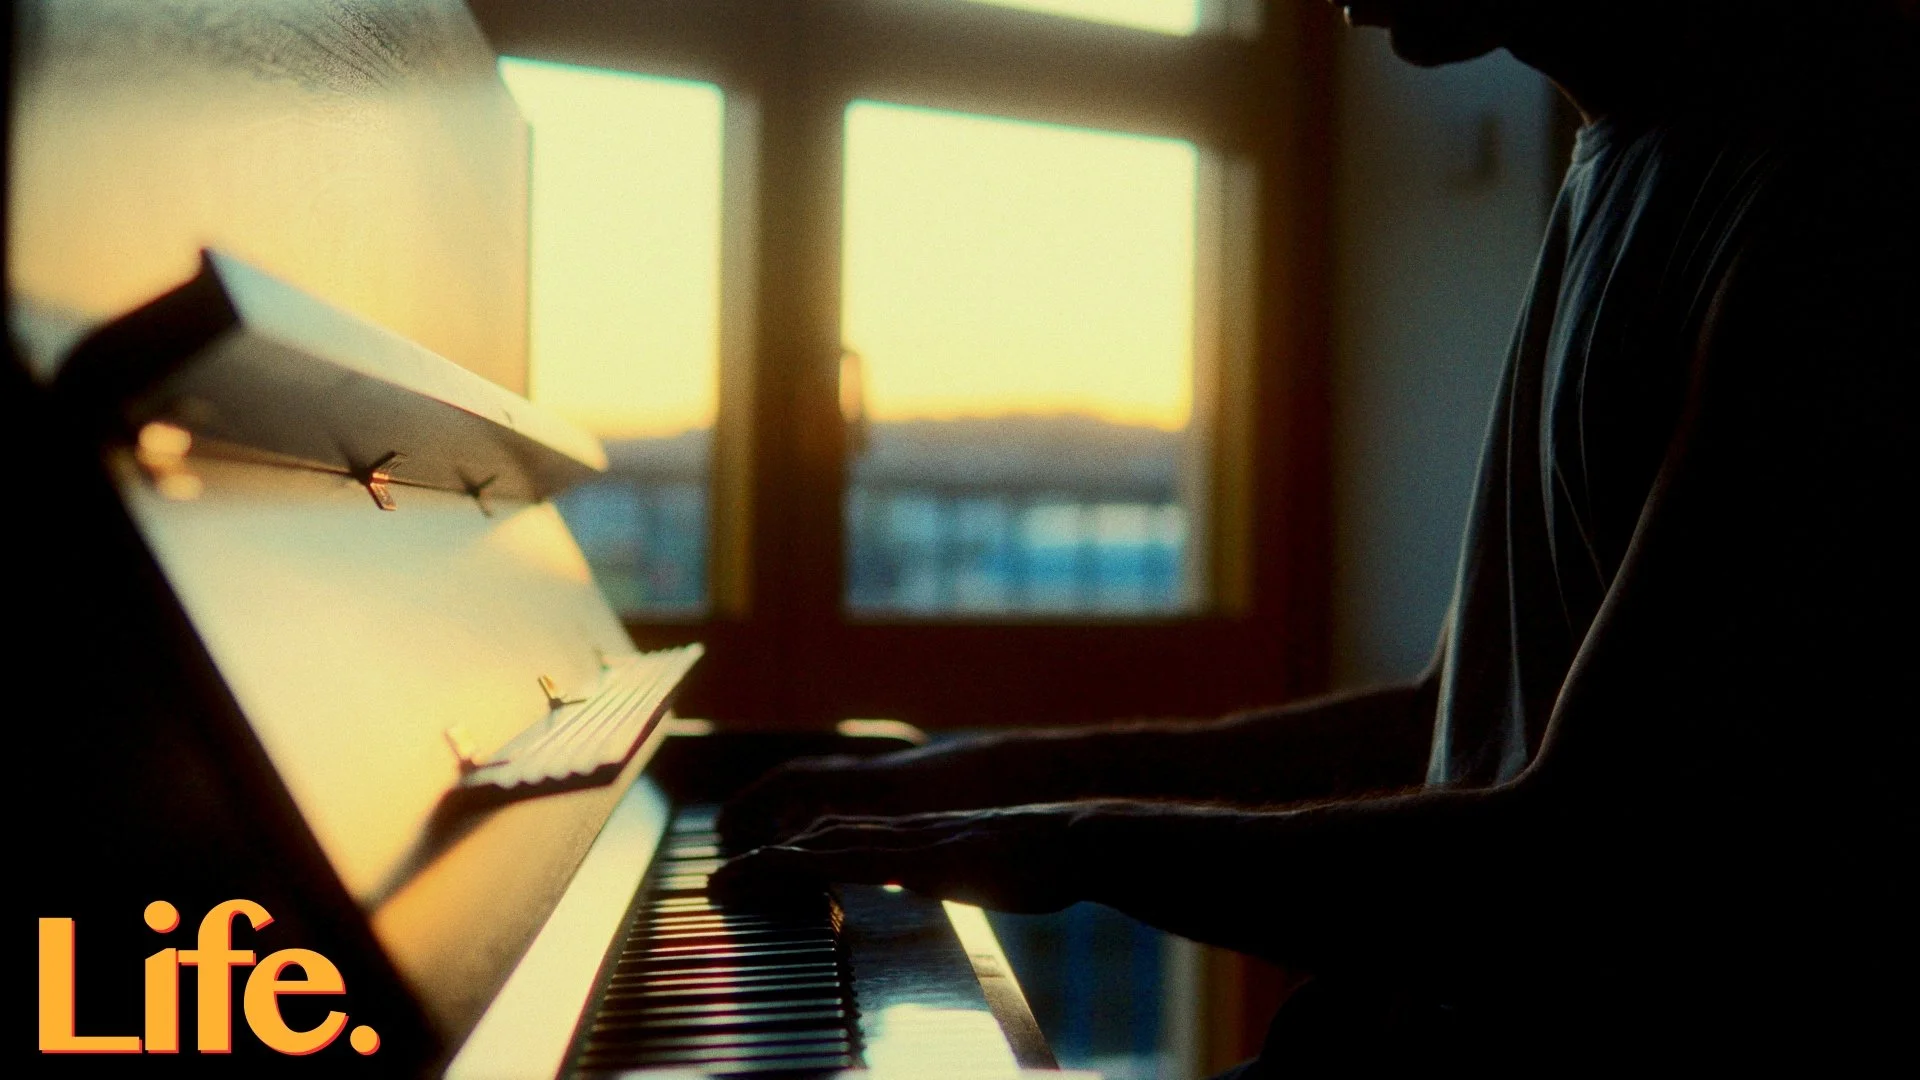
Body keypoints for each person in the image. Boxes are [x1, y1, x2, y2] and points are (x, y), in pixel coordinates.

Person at [713, 1, 1918, 1068]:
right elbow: (1435, 725)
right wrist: (975, 785)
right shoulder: (1626, 150)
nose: (1339, 12)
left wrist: (1073, 845)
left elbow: (1577, 861)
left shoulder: (1830, 190)